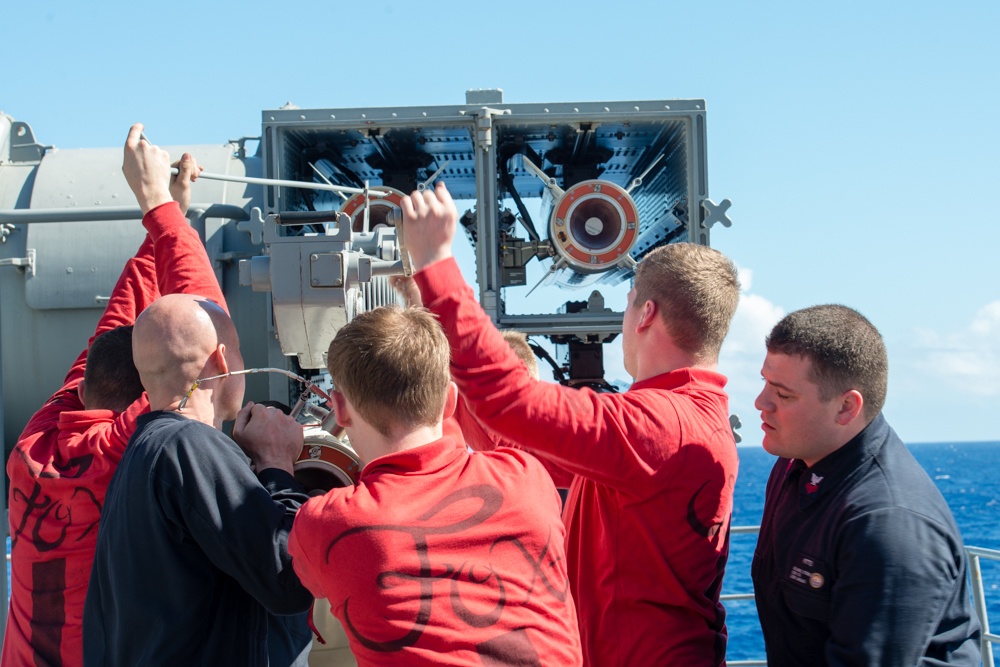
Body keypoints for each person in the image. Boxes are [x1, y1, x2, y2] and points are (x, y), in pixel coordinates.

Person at [399, 183, 741, 666]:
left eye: (627, 306)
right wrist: (430, 303)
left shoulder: (660, 427)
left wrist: (437, 263)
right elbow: (513, 442)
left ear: (646, 313)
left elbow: (511, 401)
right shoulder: (681, 421)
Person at [81, 131, 314, 666]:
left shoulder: (143, 454)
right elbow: (286, 576)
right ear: (223, 363)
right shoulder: (188, 447)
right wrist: (278, 466)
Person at [3, 124, 217, 667]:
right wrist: (158, 206)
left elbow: (115, 326)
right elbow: (209, 340)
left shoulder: (37, 439)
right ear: (145, 398)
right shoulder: (125, 454)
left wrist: (166, 219)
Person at [288, 306, 583, 666]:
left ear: (340, 409)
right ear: (451, 401)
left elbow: (288, 578)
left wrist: (274, 466)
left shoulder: (326, 523)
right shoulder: (527, 477)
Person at [752, 304, 981, 665]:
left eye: (783, 395)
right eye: (764, 381)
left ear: (846, 408)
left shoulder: (889, 525)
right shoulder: (795, 465)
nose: (760, 403)